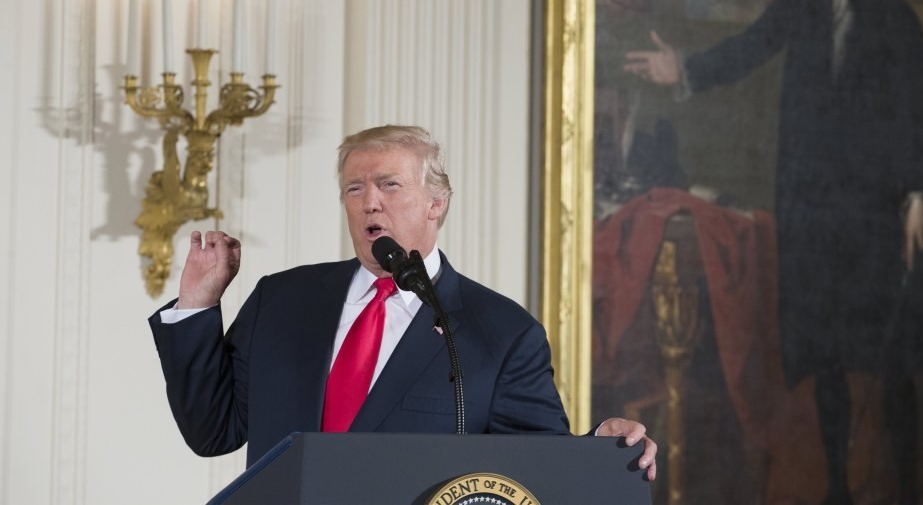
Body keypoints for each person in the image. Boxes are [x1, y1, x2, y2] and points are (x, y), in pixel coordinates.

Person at [623, 0, 923, 505]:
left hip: (877, 215)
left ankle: (906, 490)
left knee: (891, 359)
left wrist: (919, 196)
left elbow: (919, 111)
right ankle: (835, 490)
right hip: (816, 214)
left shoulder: (899, 18)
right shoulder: (801, 3)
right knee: (824, 354)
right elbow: (748, 48)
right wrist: (682, 68)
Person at [149, 124, 657, 481]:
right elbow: (212, 431)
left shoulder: (501, 332)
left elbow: (533, 466)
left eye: (389, 185)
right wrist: (198, 301)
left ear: (437, 203)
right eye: (355, 188)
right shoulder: (282, 299)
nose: (369, 201)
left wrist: (599, 449)